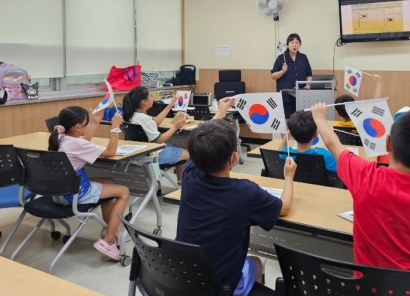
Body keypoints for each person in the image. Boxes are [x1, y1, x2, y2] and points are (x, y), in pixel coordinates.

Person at [311, 103, 410, 296]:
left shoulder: (364, 175)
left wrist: (319, 118)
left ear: (388, 144)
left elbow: (333, 144)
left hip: (369, 289)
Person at [176, 98, 297, 295]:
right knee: (256, 263)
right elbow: (284, 208)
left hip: (183, 276)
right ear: (234, 158)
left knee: (253, 262)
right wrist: (289, 177)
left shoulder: (189, 176)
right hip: (219, 285)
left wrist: (220, 112)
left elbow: (197, 147)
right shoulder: (245, 192)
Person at [48, 106, 130, 261]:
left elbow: (83, 142)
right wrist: (115, 128)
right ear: (78, 127)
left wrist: (94, 123)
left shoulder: (59, 137)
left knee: (109, 183)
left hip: (57, 192)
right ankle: (109, 240)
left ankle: (109, 228)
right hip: (74, 195)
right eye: (86, 123)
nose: (87, 126)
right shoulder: (76, 143)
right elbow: (110, 152)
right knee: (123, 191)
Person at [122, 86, 189, 182]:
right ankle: (181, 184)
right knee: (188, 153)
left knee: (178, 147)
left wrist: (170, 105)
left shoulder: (135, 115)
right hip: (154, 155)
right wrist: (175, 127)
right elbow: (159, 140)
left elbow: (154, 122)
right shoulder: (143, 118)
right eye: (150, 95)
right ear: (143, 102)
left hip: (141, 153)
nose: (152, 97)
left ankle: (180, 182)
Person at [271, 33, 312, 119]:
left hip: (301, 94)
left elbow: (309, 74)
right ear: (287, 44)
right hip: (286, 95)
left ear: (299, 45)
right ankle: (288, 133)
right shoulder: (281, 58)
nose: (294, 45)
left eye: (297, 43)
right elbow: (273, 75)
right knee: (288, 119)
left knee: (301, 119)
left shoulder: (303, 57)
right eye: (292, 42)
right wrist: (282, 71)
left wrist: (308, 85)